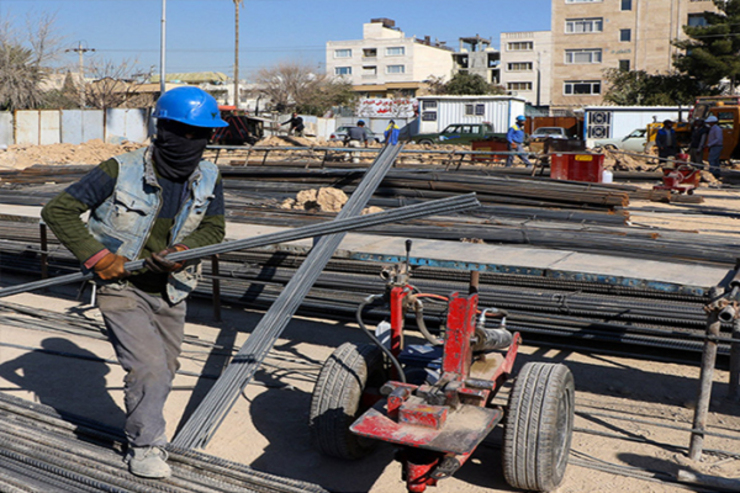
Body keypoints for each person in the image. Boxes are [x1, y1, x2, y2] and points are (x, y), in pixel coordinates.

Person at [41, 86, 227, 479]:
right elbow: (58, 210)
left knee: (166, 367)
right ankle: (145, 446)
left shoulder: (209, 176)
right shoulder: (119, 169)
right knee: (149, 369)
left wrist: (184, 249)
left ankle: (145, 424)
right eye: (181, 131)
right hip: (122, 288)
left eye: (200, 135)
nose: (189, 142)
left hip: (172, 289)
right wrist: (100, 258)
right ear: (162, 129)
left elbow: (214, 228)